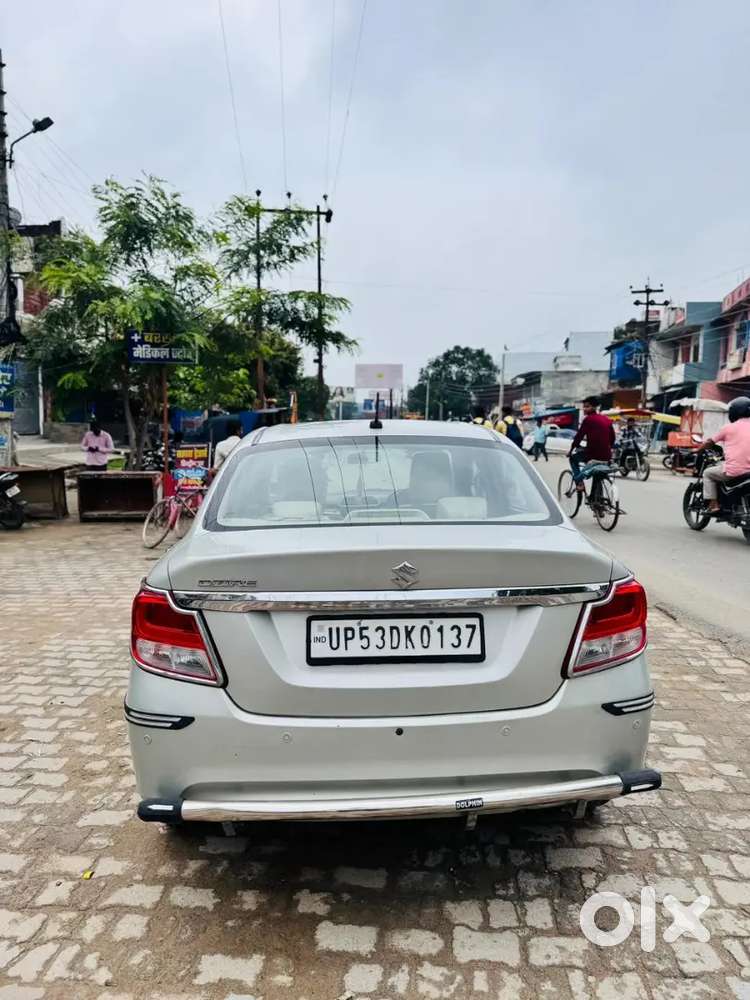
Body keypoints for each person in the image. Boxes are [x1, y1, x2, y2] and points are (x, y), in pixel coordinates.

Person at [698, 396, 750, 513]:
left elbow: (710, 442)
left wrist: (698, 450)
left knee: (708, 473)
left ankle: (713, 504)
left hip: (736, 471)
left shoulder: (728, 428)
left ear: (734, 412)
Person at [567, 397, 615, 491]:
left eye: (587, 407)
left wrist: (571, 450)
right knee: (596, 472)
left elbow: (578, 437)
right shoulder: (606, 419)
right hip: (607, 456)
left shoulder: (588, 419)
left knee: (573, 459)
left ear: (594, 407)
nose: (584, 409)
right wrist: (607, 448)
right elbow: (612, 438)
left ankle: (579, 483)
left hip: (592, 455)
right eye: (584, 407)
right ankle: (596, 498)